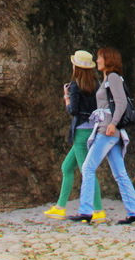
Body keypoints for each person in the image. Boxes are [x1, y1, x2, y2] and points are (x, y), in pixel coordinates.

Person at [69, 47, 135, 225]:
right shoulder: (107, 79)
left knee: (88, 167)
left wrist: (113, 123)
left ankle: (85, 211)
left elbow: (121, 102)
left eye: (101, 57)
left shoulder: (113, 78)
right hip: (108, 128)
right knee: (120, 173)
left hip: (108, 130)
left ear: (108, 60)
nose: (98, 60)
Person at [45, 51, 105, 221]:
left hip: (80, 133)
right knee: (67, 167)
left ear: (76, 67)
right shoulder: (96, 83)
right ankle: (60, 206)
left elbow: (73, 110)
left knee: (88, 171)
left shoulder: (74, 85)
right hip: (92, 130)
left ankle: (98, 209)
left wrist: (66, 98)